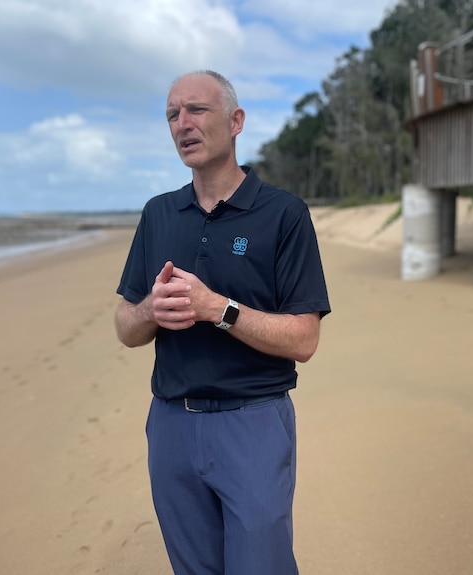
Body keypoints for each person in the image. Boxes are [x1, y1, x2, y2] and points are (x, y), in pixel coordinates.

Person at [114, 70, 330, 575]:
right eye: (172, 114)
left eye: (196, 110)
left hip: (252, 421)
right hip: (170, 423)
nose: (182, 124)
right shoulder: (159, 214)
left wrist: (219, 309)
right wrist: (150, 310)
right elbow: (125, 327)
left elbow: (305, 338)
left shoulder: (283, 214)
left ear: (235, 122)